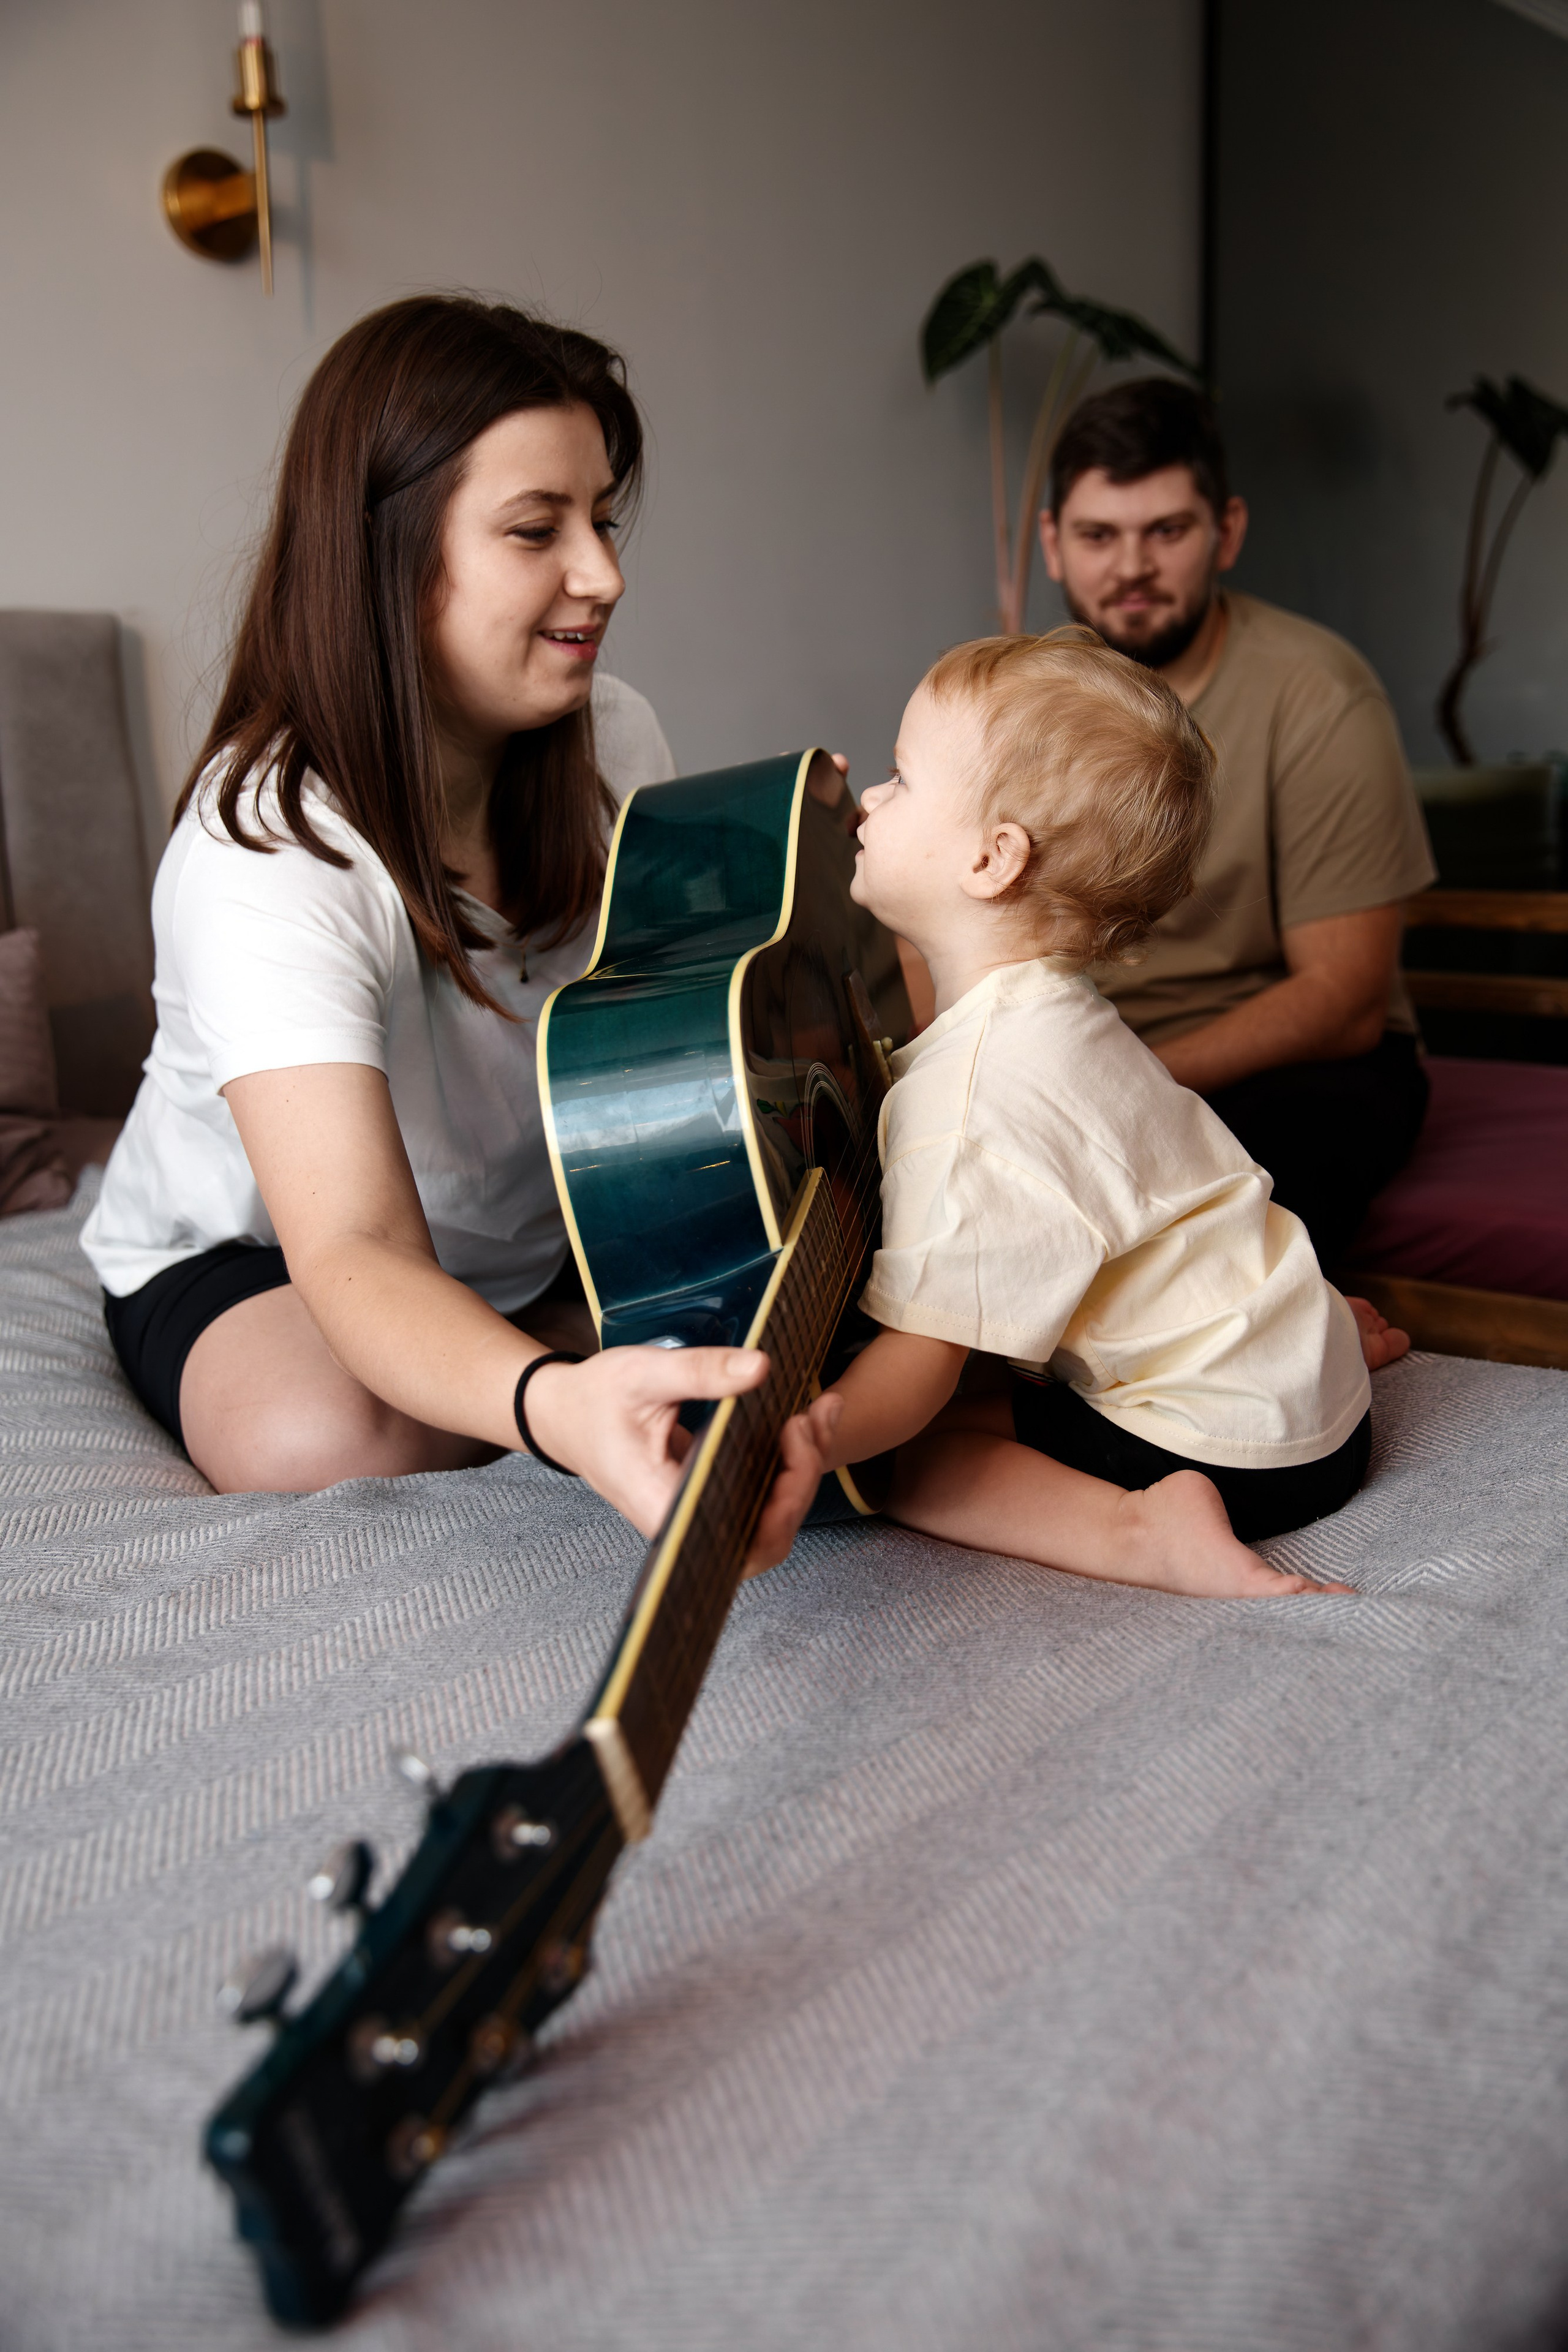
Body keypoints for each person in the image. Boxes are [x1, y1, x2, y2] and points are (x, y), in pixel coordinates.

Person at [81, 295, 829, 1566]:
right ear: (386, 555)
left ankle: (526, 1343)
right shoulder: (267, 845)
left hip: (537, 1234)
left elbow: (669, 1034)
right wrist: (555, 1407)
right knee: (310, 1434)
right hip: (269, 1253)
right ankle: (544, 1356)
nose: (603, 575)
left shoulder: (615, 739)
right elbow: (356, 1243)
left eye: (602, 520)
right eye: (538, 530)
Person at [802, 630, 1409, 1599]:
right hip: (1316, 1405)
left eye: (901, 777)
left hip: (1230, 1454)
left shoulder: (966, 1101)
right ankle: (1307, 1341)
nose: (871, 799)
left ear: (994, 858)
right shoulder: (1066, 1018)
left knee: (908, 1459)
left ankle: (1143, 1532)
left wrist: (811, 1436)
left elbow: (922, 1366)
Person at [1036, 378, 1437, 1270]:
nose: (1131, 566)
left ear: (1228, 530)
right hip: (1081, 1058)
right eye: (1099, 535)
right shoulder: (1025, 704)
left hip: (1289, 1063)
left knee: (1245, 1178)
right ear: (1053, 544)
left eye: (1166, 531)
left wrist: (1130, 1088)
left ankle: (1303, 1336)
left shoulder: (1318, 692)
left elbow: (1345, 1001)